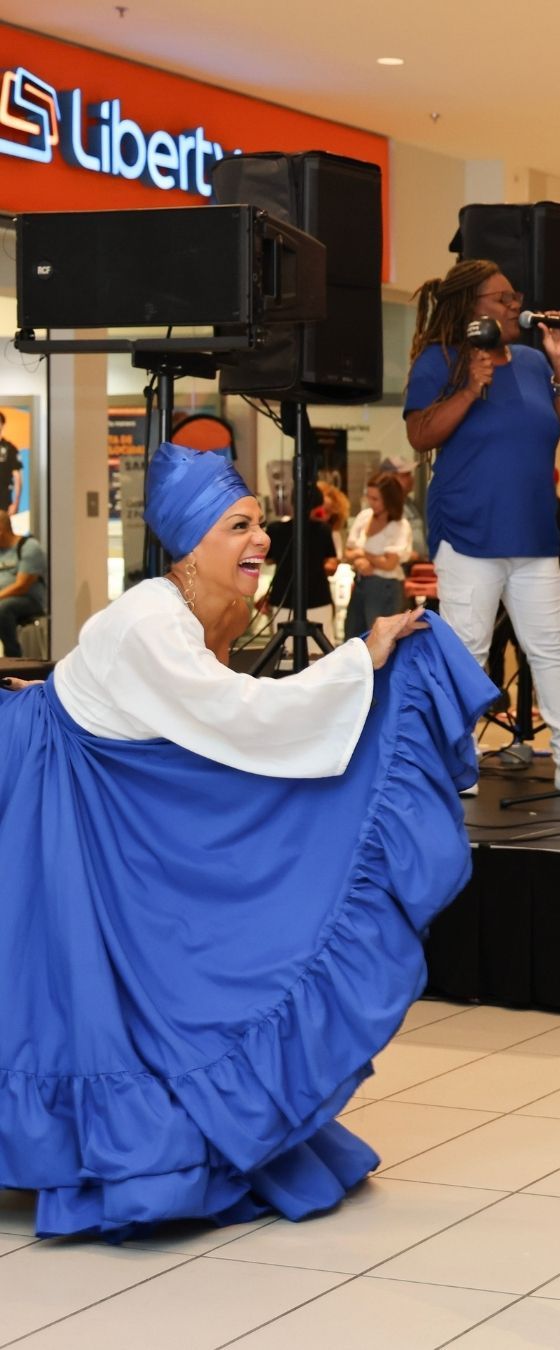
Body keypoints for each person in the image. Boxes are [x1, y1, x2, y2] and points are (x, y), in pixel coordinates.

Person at [0, 441, 495, 1240]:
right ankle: (129, 1144)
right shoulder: (151, 624)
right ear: (192, 542)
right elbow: (243, 718)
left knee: (122, 987)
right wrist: (361, 662)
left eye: (258, 524)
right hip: (51, 800)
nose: (260, 541)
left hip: (78, 792)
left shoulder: (166, 613)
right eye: (239, 526)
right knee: (93, 993)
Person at [403, 258, 560, 792]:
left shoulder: (531, 360)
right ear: (472, 308)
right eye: (502, 299)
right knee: (468, 650)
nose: (515, 305)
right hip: (470, 530)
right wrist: (470, 387)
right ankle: (458, 760)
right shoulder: (439, 360)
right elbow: (421, 435)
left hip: (534, 533)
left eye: (515, 296)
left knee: (550, 647)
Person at [263, 485, 339, 651]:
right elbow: (331, 564)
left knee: (284, 653)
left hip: (283, 596)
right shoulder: (323, 530)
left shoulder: (275, 529)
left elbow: (268, 560)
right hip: (318, 596)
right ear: (317, 504)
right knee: (320, 654)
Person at [343, 472, 412, 639]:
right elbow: (348, 552)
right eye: (369, 497)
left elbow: (390, 563)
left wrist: (364, 554)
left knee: (379, 640)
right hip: (360, 584)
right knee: (353, 636)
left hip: (385, 587)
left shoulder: (399, 525)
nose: (371, 502)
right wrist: (361, 560)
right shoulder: (364, 516)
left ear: (389, 499)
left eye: (376, 499)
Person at [0, 508, 47, 656]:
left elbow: (22, 585)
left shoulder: (28, 547)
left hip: (28, 600)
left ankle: (13, 656)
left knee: (3, 608)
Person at [379, 453, 426, 561]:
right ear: (389, 478)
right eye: (405, 475)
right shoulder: (384, 506)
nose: (411, 479)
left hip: (416, 565)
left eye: (410, 474)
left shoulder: (409, 503)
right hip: (397, 567)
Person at [0, 411, 22, 514]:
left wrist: (16, 503)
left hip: (4, 503)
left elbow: (17, 477)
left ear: (2, 425)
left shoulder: (10, 449)